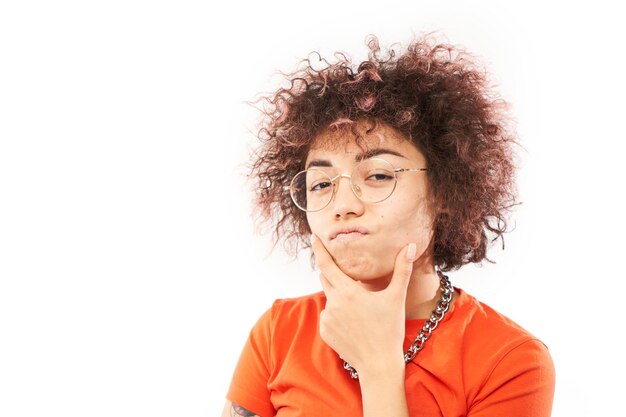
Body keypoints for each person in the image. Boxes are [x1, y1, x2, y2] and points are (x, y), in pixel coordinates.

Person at [221, 34, 555, 417]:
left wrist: (378, 366)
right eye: (321, 184)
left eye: (378, 176)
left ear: (443, 192)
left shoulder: (510, 361)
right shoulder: (278, 333)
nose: (343, 205)